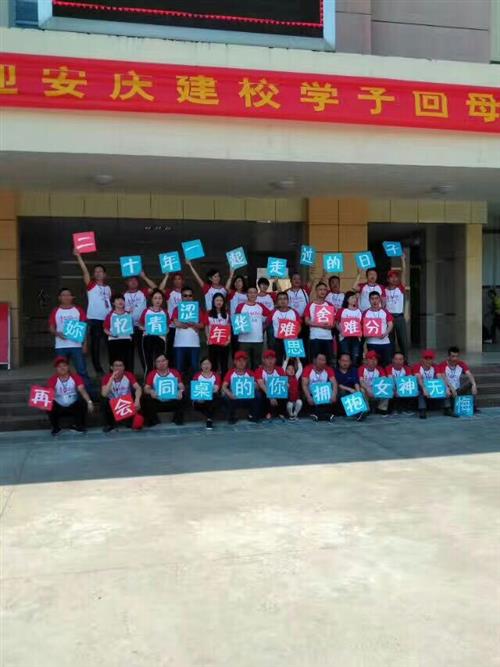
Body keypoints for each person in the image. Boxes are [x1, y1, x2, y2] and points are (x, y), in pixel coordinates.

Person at [74, 250, 112, 374]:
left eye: (100, 271)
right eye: (96, 271)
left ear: (105, 274)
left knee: (110, 344)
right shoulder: (91, 285)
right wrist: (79, 257)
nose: (98, 273)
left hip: (108, 320)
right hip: (95, 319)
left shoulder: (108, 288)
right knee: (95, 345)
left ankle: (113, 368)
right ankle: (98, 370)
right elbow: (85, 272)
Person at [48, 287, 91, 391]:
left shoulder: (78, 310)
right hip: (61, 346)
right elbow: (51, 327)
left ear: (72, 297)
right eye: (63, 295)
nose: (66, 297)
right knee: (62, 371)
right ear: (59, 298)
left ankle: (87, 393)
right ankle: (65, 392)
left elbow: (84, 328)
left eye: (68, 295)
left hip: (76, 345)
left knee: (82, 370)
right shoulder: (56, 311)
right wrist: (57, 333)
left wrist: (85, 344)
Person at [46, 356, 94, 435]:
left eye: (64, 365)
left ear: (68, 367)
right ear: (56, 368)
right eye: (59, 366)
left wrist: (89, 402)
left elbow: (82, 390)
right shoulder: (52, 379)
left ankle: (79, 426)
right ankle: (56, 428)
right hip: (59, 407)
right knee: (49, 405)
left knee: (82, 402)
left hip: (73, 406)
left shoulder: (75, 377)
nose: (62, 368)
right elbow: (50, 393)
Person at [124, 271, 157, 373]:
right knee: (128, 353)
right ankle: (130, 376)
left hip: (142, 327)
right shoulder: (123, 295)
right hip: (128, 328)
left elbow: (155, 289)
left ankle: (148, 376)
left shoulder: (143, 292)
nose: (133, 282)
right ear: (126, 282)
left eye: (135, 280)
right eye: (130, 280)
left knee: (144, 352)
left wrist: (144, 277)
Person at [171, 286, 208, 378]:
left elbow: (202, 325)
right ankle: (180, 387)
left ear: (193, 297)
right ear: (181, 297)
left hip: (194, 343)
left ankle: (194, 385)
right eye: (185, 295)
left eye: (190, 295)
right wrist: (193, 325)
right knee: (179, 368)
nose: (188, 298)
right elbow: (176, 323)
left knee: (195, 368)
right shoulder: (177, 309)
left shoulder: (198, 309)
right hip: (179, 343)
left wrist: (192, 324)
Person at [142, 354, 184, 426]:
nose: (161, 363)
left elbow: (181, 386)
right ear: (155, 364)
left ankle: (177, 419)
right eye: (158, 361)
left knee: (183, 395)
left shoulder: (174, 372)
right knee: (146, 397)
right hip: (158, 401)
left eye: (163, 361)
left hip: (172, 401)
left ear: (167, 361)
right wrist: (151, 391)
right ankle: (153, 421)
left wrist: (180, 391)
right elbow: (146, 388)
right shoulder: (152, 374)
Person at [235, 287, 272, 369]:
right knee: (244, 364)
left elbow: (271, 315)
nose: (252, 294)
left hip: (258, 339)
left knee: (257, 363)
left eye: (254, 292)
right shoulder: (240, 306)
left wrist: (265, 325)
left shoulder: (260, 306)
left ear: (257, 294)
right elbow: (237, 321)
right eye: (250, 292)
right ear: (247, 294)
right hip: (244, 340)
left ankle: (256, 377)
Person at [100, 359, 142, 432]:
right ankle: (109, 424)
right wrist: (111, 378)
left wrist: (137, 400)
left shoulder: (128, 375)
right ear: (112, 368)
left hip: (126, 402)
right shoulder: (107, 377)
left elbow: (138, 388)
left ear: (123, 367)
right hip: (112, 403)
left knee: (140, 397)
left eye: (120, 366)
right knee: (104, 400)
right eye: (116, 366)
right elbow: (104, 394)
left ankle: (132, 421)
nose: (118, 368)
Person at [221, 350, 259, 424]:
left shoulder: (250, 372)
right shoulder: (231, 372)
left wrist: (254, 385)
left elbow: (257, 387)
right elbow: (224, 386)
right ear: (235, 362)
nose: (241, 363)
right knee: (225, 397)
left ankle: (252, 415)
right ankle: (232, 416)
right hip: (235, 398)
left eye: (243, 361)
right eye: (239, 361)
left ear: (246, 362)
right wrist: (230, 394)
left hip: (248, 398)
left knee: (257, 395)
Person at [438, 346, 479, 413]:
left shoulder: (461, 363)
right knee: (443, 387)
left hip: (458, 389)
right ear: (448, 357)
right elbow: (443, 377)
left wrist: (474, 384)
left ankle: (473, 406)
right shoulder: (442, 365)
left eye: (457, 356)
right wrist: (451, 388)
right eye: (453, 356)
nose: (455, 358)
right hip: (448, 389)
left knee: (472, 382)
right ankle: (447, 409)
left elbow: (469, 374)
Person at [412, 349, 450, 419]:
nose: (428, 361)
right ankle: (422, 409)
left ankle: (447, 408)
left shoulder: (435, 366)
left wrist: (446, 388)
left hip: (433, 388)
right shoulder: (417, 366)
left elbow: (440, 377)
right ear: (422, 359)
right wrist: (424, 388)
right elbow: (418, 378)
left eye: (430, 359)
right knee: (420, 387)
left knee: (443, 385)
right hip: (422, 388)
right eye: (426, 358)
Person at [138, 288, 168, 374]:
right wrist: (146, 328)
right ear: (151, 299)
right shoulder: (146, 311)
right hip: (148, 338)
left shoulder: (164, 312)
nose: (158, 300)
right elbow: (140, 325)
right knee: (148, 362)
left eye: (160, 298)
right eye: (155, 298)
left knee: (160, 361)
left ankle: (158, 379)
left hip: (160, 338)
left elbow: (167, 327)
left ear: (162, 300)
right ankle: (148, 380)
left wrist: (166, 331)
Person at [303, 282, 334, 364]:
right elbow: (306, 321)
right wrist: (320, 324)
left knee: (327, 361)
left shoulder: (329, 305)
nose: (322, 291)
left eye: (324, 290)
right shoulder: (310, 305)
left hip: (327, 337)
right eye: (320, 289)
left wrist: (329, 325)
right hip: (315, 337)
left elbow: (333, 323)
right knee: (315, 360)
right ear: (316, 291)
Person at [302, 353, 337, 422]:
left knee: (332, 400)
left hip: (323, 394)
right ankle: (326, 416)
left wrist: (334, 395)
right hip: (311, 393)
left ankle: (318, 415)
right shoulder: (308, 368)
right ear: (314, 360)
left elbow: (334, 383)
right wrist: (308, 397)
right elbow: (304, 385)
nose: (322, 362)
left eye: (323, 360)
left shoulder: (328, 369)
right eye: (320, 359)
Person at [385, 263, 410, 359]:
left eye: (396, 277)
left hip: (399, 316)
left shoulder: (400, 288)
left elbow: (404, 273)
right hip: (389, 318)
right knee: (390, 340)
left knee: (403, 340)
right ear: (388, 279)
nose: (394, 279)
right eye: (391, 277)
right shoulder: (384, 290)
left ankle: (405, 361)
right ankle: (391, 361)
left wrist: (403, 262)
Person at [362, 291, 394, 367]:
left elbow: (390, 324)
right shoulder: (365, 313)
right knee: (373, 365)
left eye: (376, 298)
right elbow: (362, 326)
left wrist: (385, 334)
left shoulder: (385, 311)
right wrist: (366, 334)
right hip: (371, 342)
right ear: (369, 300)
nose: (374, 301)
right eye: (372, 299)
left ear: (379, 299)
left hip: (385, 342)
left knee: (387, 364)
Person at [103, 293, 134, 371]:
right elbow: (105, 329)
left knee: (128, 361)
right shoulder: (110, 315)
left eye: (122, 299)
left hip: (126, 340)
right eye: (117, 299)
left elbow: (131, 328)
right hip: (114, 341)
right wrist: (112, 334)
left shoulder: (128, 314)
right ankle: (113, 378)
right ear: (113, 303)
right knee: (114, 361)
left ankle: (128, 377)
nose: (120, 301)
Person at [254, 349, 287, 421]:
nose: (270, 361)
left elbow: (284, 382)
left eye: (272, 358)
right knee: (261, 392)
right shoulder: (259, 370)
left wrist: (286, 385)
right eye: (268, 358)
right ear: (263, 360)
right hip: (265, 392)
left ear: (275, 360)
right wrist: (271, 396)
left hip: (276, 391)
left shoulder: (280, 370)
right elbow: (261, 384)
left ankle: (281, 412)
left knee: (284, 390)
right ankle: (267, 413)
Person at [270, 291, 302, 364]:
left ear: (288, 301)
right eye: (280, 299)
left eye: (284, 299)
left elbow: (299, 326)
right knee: (278, 361)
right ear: (277, 301)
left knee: (293, 362)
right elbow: (266, 324)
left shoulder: (294, 312)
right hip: (278, 341)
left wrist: (294, 335)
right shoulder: (273, 313)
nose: (282, 301)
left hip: (292, 340)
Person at [206, 293, 231, 380]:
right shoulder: (208, 313)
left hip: (224, 343)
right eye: (217, 300)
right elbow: (206, 327)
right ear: (213, 302)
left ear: (223, 302)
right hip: (213, 343)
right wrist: (208, 338)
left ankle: (224, 382)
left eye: (221, 300)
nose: (219, 302)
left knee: (224, 364)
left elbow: (228, 327)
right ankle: (214, 382)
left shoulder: (226, 314)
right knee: (213, 364)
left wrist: (228, 339)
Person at [192, 357, 221, 430]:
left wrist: (205, 395)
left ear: (211, 365)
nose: (206, 366)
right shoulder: (197, 376)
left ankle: (209, 419)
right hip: (199, 400)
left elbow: (216, 389)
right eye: (204, 364)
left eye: (208, 363)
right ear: (201, 366)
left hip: (211, 398)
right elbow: (195, 390)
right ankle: (210, 417)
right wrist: (199, 398)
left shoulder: (216, 375)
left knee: (214, 397)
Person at [336, 291, 363, 367]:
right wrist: (341, 331)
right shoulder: (342, 310)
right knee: (345, 357)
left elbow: (361, 324)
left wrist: (360, 333)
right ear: (347, 299)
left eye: (355, 298)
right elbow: (336, 323)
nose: (354, 299)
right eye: (352, 298)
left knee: (355, 357)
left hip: (356, 338)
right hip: (344, 338)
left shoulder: (359, 311)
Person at [358, 350, 389, 416]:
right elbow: (361, 381)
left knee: (387, 387)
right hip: (366, 390)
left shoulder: (380, 368)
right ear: (366, 360)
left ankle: (382, 408)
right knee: (362, 390)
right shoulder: (361, 369)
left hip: (377, 389)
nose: (374, 361)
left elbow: (384, 380)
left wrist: (376, 388)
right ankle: (366, 409)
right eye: (372, 359)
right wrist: (368, 389)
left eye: (376, 359)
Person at [286, 272, 311, 356]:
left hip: (303, 321)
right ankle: (292, 362)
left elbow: (313, 282)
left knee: (304, 343)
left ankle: (303, 362)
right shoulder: (287, 293)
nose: (297, 280)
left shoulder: (305, 291)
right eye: (294, 279)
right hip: (291, 322)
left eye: (299, 279)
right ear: (290, 281)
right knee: (292, 343)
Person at [335, 353, 364, 420]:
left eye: (347, 361)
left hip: (352, 392)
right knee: (342, 392)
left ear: (350, 362)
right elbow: (337, 384)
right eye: (343, 360)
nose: (345, 363)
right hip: (341, 392)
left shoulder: (353, 370)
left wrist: (358, 393)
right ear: (339, 361)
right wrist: (350, 389)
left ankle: (364, 409)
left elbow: (356, 382)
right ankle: (357, 413)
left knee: (361, 390)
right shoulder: (335, 371)